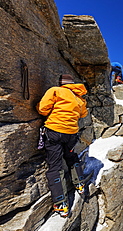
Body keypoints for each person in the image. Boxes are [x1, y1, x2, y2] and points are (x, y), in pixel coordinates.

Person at [37, 74, 88, 217]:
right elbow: (83, 114)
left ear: (61, 83)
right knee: (71, 156)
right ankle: (80, 183)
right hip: (71, 134)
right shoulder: (79, 99)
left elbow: (42, 108)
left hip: (54, 131)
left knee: (55, 166)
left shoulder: (56, 91)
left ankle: (61, 203)